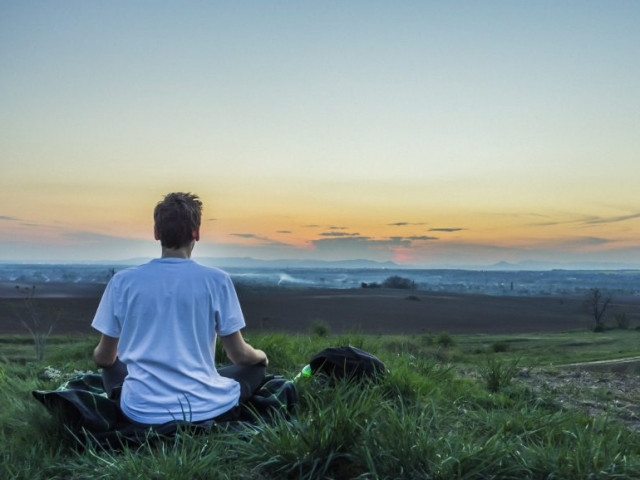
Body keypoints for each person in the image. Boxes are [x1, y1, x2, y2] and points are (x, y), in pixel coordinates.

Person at [91, 192, 268, 425]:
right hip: (205, 407)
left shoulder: (123, 281)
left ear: (157, 233)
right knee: (254, 369)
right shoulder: (217, 280)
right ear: (196, 232)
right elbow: (239, 355)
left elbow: (103, 358)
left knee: (112, 366)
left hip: (141, 411)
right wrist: (261, 356)